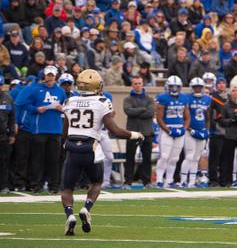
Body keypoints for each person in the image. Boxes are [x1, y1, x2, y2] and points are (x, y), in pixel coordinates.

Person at [61, 69, 144, 236]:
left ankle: (70, 215)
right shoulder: (102, 101)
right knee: (97, 183)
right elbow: (115, 131)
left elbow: (65, 131)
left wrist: (66, 145)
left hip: (72, 148)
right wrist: (136, 135)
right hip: (90, 148)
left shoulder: (69, 101)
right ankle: (86, 208)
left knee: (67, 188)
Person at [24, 66, 66, 194]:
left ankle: (54, 186)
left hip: (55, 129)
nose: (50, 77)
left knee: (54, 159)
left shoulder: (60, 91)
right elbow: (26, 104)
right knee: (38, 159)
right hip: (39, 129)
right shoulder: (36, 89)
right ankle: (37, 185)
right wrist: (37, 109)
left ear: (55, 76)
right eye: (48, 75)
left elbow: (67, 107)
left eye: (52, 75)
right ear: (44, 75)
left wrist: (61, 108)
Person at [155, 76, 190, 188]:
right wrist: (168, 131)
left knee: (175, 158)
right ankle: (159, 179)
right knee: (164, 156)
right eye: (172, 87)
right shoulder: (163, 97)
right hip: (167, 129)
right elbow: (159, 118)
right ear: (167, 87)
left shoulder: (184, 98)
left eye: (176, 87)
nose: (174, 89)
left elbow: (187, 117)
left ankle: (169, 180)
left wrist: (184, 129)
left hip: (179, 129)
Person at [123, 76, 155, 188]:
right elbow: (128, 111)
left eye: (139, 83)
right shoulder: (127, 99)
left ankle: (147, 181)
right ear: (132, 85)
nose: (137, 85)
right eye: (135, 83)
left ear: (143, 84)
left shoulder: (150, 99)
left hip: (147, 132)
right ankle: (128, 182)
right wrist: (143, 109)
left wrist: (136, 112)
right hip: (132, 133)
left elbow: (150, 113)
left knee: (147, 158)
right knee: (130, 158)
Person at [180, 77, 211, 188]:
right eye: (195, 87)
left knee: (196, 157)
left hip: (201, 131)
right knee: (189, 156)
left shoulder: (207, 99)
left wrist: (206, 130)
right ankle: (183, 180)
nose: (197, 89)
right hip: (190, 131)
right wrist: (189, 129)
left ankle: (192, 181)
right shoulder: (187, 98)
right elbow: (184, 117)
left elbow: (208, 117)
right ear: (192, 88)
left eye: (199, 87)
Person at [0, 75, 15, 194]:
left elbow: (12, 118)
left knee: (4, 161)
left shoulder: (8, 98)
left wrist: (12, 134)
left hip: (3, 135)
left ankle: (4, 185)